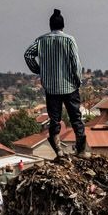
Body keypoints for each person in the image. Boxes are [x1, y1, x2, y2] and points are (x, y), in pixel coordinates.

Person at [24, 9, 87, 157]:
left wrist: (38, 70)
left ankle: (58, 150)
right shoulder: (69, 40)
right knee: (76, 118)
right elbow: (76, 64)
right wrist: (78, 80)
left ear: (50, 25)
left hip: (51, 88)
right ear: (63, 25)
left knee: (54, 119)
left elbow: (28, 55)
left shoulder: (41, 40)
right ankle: (81, 150)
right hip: (70, 87)